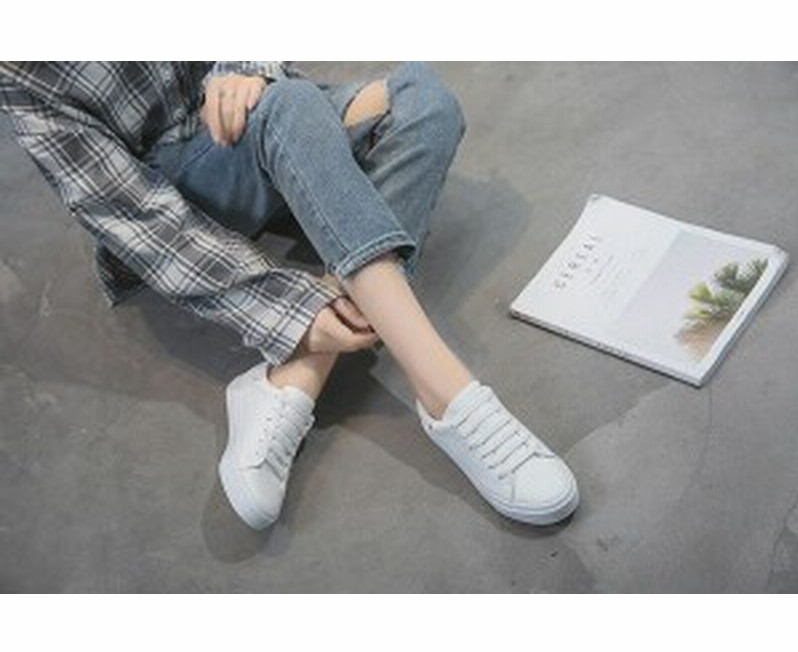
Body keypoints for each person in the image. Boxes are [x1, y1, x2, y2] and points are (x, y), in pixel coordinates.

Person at [0, 61, 579, 529]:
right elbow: (140, 221)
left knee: (425, 102)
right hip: (178, 186)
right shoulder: (21, 78)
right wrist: (285, 309)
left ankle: (294, 379)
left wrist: (242, 68)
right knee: (291, 106)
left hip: (253, 121)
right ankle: (449, 396)